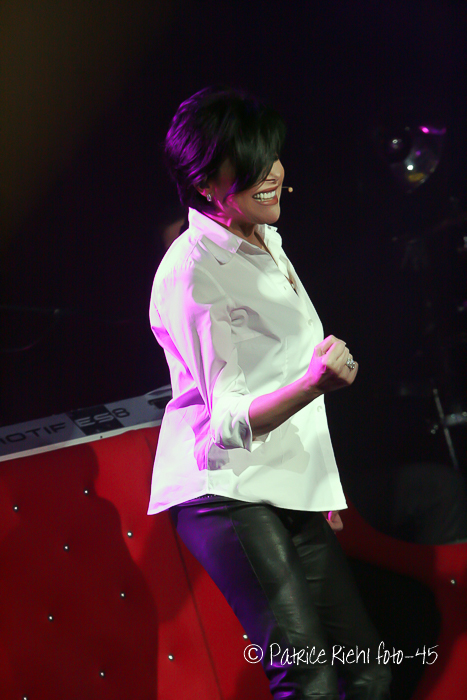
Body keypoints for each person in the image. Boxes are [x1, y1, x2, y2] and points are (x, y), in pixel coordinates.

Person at [148, 86, 391, 699]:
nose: (273, 173)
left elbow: (277, 373)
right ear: (205, 183)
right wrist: (314, 384)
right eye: (253, 164)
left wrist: (316, 484)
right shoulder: (193, 270)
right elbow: (229, 420)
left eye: (273, 157)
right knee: (309, 680)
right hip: (225, 492)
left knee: (369, 672)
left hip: (281, 483)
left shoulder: (264, 240)